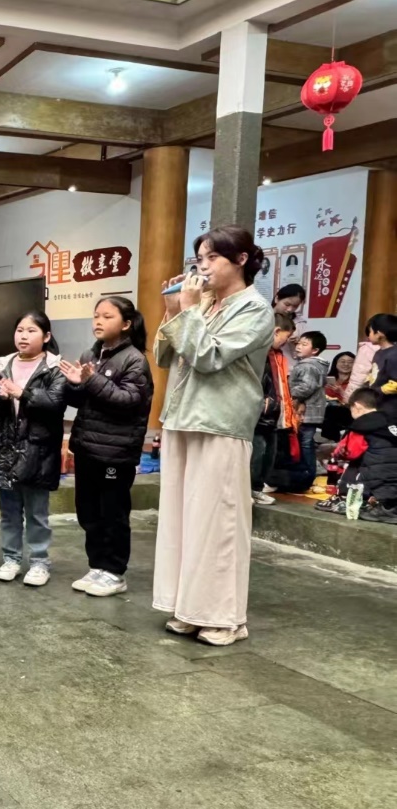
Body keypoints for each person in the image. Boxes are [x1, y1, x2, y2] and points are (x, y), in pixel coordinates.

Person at [153, 225, 274, 647]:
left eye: (211, 258)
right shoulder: (203, 303)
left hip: (221, 422)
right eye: (199, 259)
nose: (202, 267)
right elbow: (164, 356)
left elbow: (209, 356)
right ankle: (189, 608)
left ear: (240, 260)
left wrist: (188, 311)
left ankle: (224, 617)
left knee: (218, 521)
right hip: (183, 418)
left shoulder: (255, 308)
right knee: (183, 520)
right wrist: (174, 310)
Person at [60, 296, 153, 597]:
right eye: (96, 315)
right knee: (88, 511)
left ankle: (114, 572)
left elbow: (128, 401)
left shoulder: (134, 359)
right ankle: (97, 566)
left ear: (126, 324)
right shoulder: (92, 353)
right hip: (87, 447)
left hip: (116, 452)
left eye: (107, 316)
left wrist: (91, 381)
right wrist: (73, 384)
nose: (98, 321)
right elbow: (81, 400)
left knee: (112, 513)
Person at [0, 311, 66, 586]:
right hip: (7, 448)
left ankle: (39, 562)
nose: (23, 336)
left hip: (38, 450)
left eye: (31, 331)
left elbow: (55, 403)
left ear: (46, 336)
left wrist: (22, 393)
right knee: (8, 511)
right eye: (20, 330)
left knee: (37, 513)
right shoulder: (1, 364)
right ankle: (10, 558)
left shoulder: (54, 367)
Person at [269, 329, 329, 494]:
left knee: (305, 444)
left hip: (306, 412)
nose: (298, 346)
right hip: (310, 411)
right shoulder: (312, 364)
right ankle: (306, 475)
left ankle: (307, 476)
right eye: (299, 343)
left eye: (304, 344)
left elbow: (306, 387)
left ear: (315, 350)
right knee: (304, 444)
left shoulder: (308, 365)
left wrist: (287, 394)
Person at [251, 313, 294, 506]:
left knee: (269, 455)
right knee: (257, 454)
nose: (286, 342)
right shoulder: (258, 352)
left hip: (273, 413)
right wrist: (263, 404)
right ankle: (250, 489)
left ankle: (257, 489)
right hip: (259, 413)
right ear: (276, 331)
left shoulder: (278, 356)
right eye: (286, 337)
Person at [346, 387, 397, 523]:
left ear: (357, 406)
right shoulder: (391, 420)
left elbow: (351, 453)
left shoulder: (361, 425)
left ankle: (386, 511)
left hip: (381, 477)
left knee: (357, 465)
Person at [360, 313, 397, 422]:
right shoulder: (379, 353)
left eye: (370, 331)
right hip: (378, 404)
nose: (368, 335)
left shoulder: (394, 354)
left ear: (379, 334)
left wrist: (377, 391)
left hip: (390, 407)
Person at [322, 350, 356, 442]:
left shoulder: (356, 382)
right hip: (325, 412)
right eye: (342, 361)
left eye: (350, 362)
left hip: (348, 412)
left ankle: (331, 441)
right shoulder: (326, 380)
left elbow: (356, 402)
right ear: (336, 363)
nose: (346, 364)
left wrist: (341, 392)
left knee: (332, 411)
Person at [273, 284, 307, 359]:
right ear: (277, 299)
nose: (290, 309)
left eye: (295, 306)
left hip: (289, 364)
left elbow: (305, 354)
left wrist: (297, 343)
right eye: (287, 304)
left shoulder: (299, 324)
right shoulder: (263, 317)